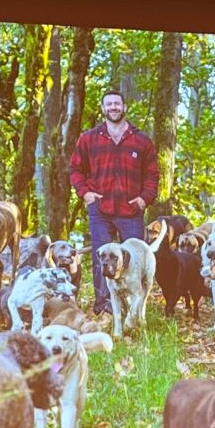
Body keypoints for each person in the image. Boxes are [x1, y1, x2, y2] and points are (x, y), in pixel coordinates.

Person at [69, 90, 159, 316]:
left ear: (124, 106)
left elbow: (152, 175)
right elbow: (75, 170)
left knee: (135, 259)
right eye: (108, 104)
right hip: (100, 210)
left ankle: (135, 309)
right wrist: (85, 193)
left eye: (117, 103)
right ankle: (104, 307)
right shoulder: (89, 139)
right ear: (103, 108)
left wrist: (144, 199)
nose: (113, 107)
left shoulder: (141, 140)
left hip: (131, 211)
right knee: (103, 258)